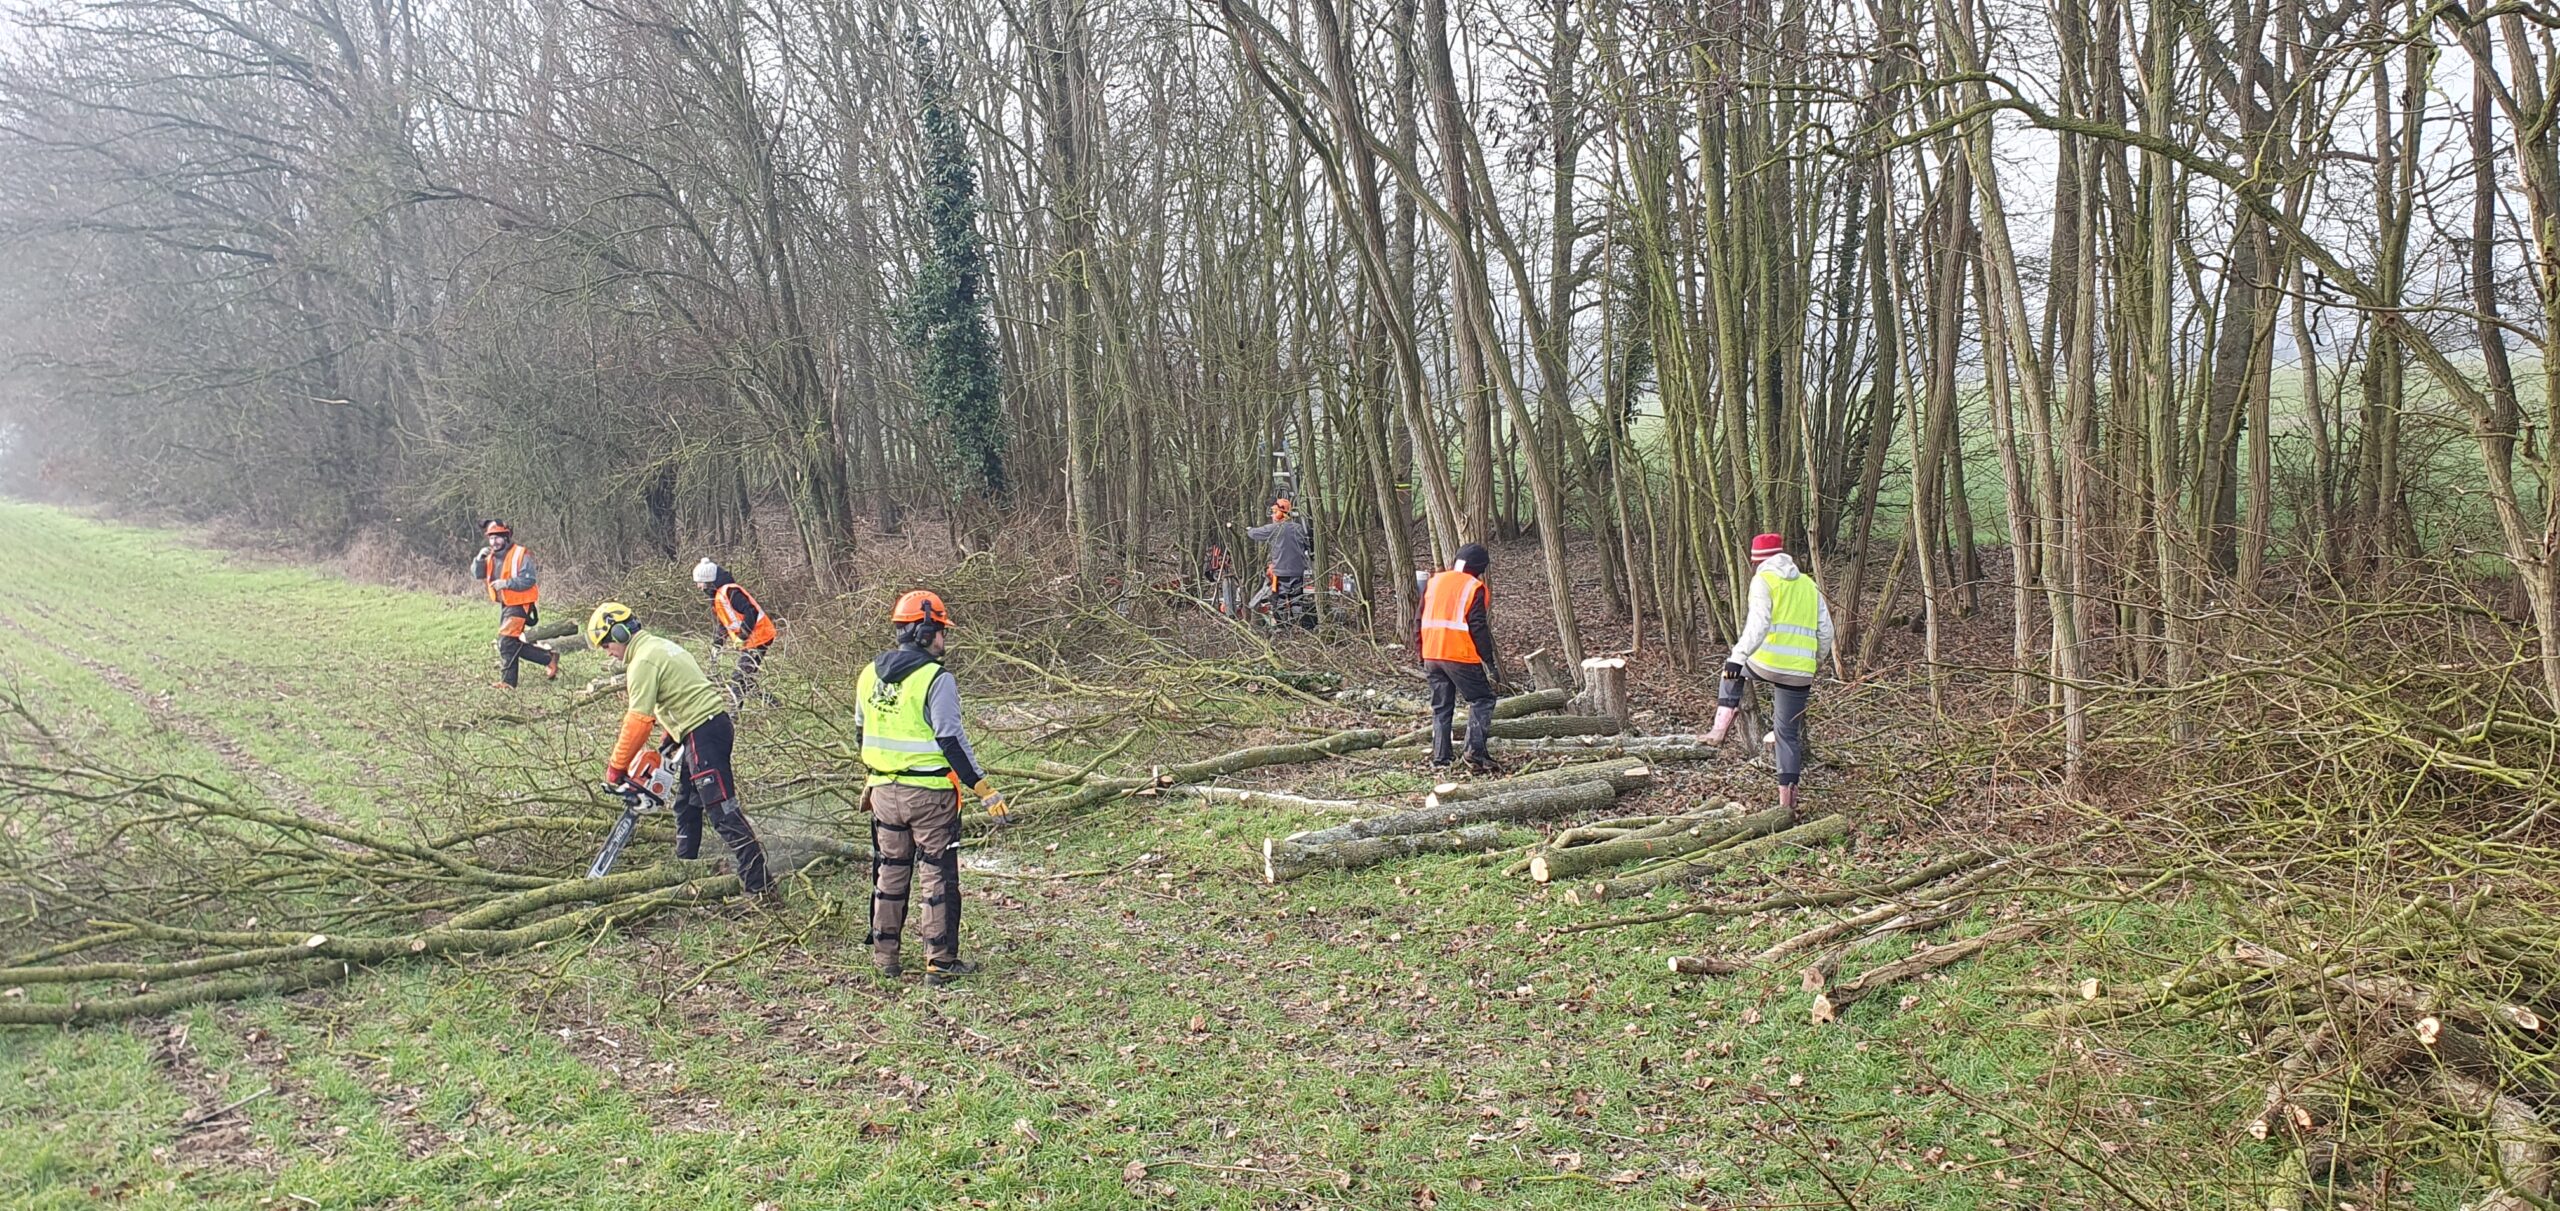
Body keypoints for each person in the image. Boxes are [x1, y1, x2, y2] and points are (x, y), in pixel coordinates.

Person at [853, 590, 1009, 986]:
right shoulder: (936, 679)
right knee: (937, 876)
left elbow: (861, 732)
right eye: (940, 630)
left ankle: (885, 958)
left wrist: (878, 773)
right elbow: (950, 740)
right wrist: (984, 789)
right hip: (929, 795)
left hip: (883, 791)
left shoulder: (869, 673)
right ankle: (940, 962)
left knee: (890, 873)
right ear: (923, 632)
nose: (944, 638)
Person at [587, 603, 775, 895]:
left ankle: (760, 888)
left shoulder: (643, 661)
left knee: (723, 812)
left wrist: (616, 768)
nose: (607, 652)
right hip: (704, 728)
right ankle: (685, 871)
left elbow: (638, 722)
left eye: (606, 644)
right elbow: (683, 693)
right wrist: (669, 741)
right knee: (687, 806)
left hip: (703, 732)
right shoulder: (660, 646)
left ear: (621, 633)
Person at [1703, 533, 1835, 812]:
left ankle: (1720, 726)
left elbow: (1758, 625)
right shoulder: (1809, 584)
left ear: (1757, 560)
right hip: (1799, 673)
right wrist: (1815, 661)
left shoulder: (1763, 580)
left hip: (1766, 665)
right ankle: (1787, 804)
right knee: (1787, 736)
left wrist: (1738, 656)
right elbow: (1826, 631)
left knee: (1733, 670)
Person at [1416, 543, 1506, 772]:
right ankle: (1474, 753)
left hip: (1432, 653)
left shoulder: (1435, 581)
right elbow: (1478, 627)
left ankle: (1441, 758)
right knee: (1482, 700)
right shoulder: (1474, 587)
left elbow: (1418, 619)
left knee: (1441, 707)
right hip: (1459, 655)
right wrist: (1489, 662)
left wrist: (1421, 652)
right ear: (1480, 568)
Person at [469, 520, 559, 690]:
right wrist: (479, 558)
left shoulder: (520, 554)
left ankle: (508, 683)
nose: (494, 542)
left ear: (506, 537)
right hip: (507, 603)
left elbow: (529, 580)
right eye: (491, 538)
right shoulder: (490, 555)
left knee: (506, 642)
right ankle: (548, 658)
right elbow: (477, 574)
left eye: (497, 538)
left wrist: (506, 583)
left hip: (521, 602)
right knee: (511, 642)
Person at [692, 558, 777, 708]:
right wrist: (717, 644)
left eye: (700, 583)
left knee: (738, 679)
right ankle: (774, 703)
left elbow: (751, 612)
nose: (698, 586)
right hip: (752, 639)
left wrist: (742, 636)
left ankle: (734, 714)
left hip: (759, 637)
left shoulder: (731, 592)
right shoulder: (718, 596)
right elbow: (724, 623)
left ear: (709, 581)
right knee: (745, 680)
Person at [1246, 498, 1313, 629]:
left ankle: (1283, 627)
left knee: (1279, 601)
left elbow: (1255, 533)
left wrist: (1249, 530)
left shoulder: (1275, 528)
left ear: (1280, 513)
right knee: (1296, 600)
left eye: (1274, 512)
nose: (1272, 515)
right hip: (1298, 571)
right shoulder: (1299, 528)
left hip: (1281, 572)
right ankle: (1297, 626)